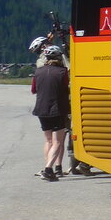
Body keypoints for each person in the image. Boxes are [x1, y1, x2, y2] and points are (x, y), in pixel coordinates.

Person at [31, 46, 71, 181]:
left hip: (41, 109)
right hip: (57, 109)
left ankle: (48, 167)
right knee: (58, 141)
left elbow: (33, 90)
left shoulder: (38, 71)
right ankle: (49, 169)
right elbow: (67, 87)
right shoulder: (62, 72)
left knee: (48, 140)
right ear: (59, 58)